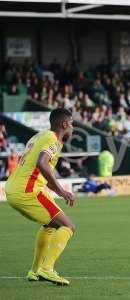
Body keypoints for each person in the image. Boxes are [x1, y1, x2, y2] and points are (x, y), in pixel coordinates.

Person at [5, 108, 75, 285]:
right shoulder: (53, 139)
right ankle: (47, 269)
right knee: (68, 226)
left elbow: (40, 169)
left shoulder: (38, 136)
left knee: (50, 225)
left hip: (15, 187)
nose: (72, 128)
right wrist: (61, 190)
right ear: (64, 124)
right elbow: (42, 163)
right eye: (72, 124)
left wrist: (58, 190)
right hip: (28, 190)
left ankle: (35, 271)